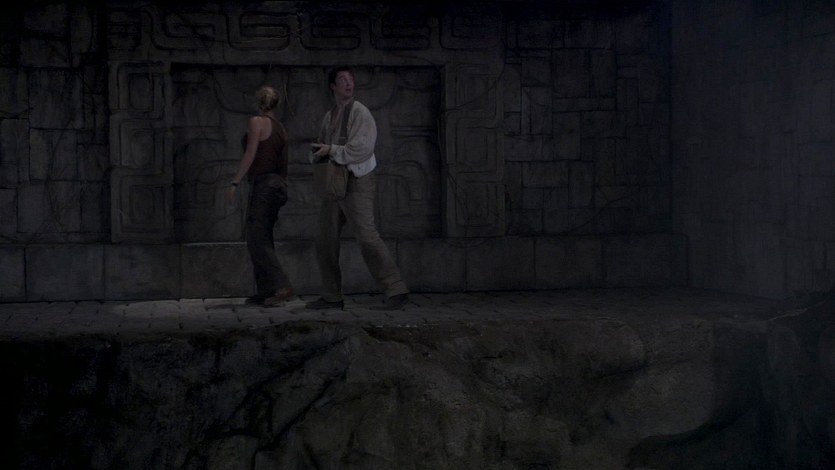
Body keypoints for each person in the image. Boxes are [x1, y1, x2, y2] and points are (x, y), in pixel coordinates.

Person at [306, 65, 410, 310]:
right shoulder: (329, 116)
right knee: (325, 239)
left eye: (350, 79)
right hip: (335, 183)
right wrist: (317, 153)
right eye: (342, 79)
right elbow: (322, 144)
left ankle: (396, 288)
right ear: (333, 86)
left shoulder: (360, 112)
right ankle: (332, 295)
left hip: (357, 181)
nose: (348, 83)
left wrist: (332, 150)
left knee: (367, 236)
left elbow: (362, 148)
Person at [227, 85, 295, 307]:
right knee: (262, 237)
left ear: (259, 102)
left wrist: (235, 181)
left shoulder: (257, 122)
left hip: (265, 185)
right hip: (276, 186)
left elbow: (250, 153)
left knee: (256, 237)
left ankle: (280, 285)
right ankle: (266, 290)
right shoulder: (281, 128)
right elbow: (283, 161)